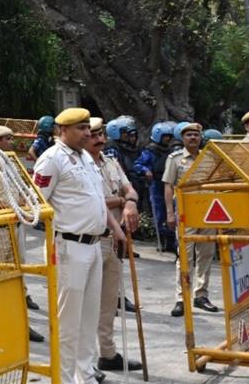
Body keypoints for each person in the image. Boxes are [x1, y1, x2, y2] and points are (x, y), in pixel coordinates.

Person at [33, 107, 126, 384]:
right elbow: (36, 202)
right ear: (62, 130)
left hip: (94, 244)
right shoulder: (52, 160)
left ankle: (84, 375)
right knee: (68, 321)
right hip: (68, 246)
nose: (87, 133)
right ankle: (63, 379)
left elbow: (96, 199)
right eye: (81, 128)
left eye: (88, 128)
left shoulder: (86, 157)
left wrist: (116, 229)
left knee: (88, 317)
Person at [85, 117, 143, 373]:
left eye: (101, 134)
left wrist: (129, 202)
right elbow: (92, 201)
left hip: (114, 240)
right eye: (92, 135)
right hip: (90, 240)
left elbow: (130, 189)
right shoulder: (80, 165)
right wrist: (120, 200)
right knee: (86, 304)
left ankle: (107, 354)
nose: (99, 139)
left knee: (109, 302)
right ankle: (84, 364)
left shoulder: (111, 162)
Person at [0, 124, 45, 342]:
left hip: (15, 225)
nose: (12, 142)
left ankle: (20, 323)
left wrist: (23, 205)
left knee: (17, 274)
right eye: (7, 139)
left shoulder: (10, 162)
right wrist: (13, 208)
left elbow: (20, 190)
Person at [164, 123, 219, 317]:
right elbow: (168, 186)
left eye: (196, 134)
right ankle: (182, 298)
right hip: (185, 214)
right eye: (189, 135)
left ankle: (201, 295)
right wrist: (170, 213)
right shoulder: (175, 159)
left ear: (200, 137)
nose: (193, 138)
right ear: (183, 138)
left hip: (208, 212)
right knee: (185, 257)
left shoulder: (209, 157)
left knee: (206, 254)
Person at [133, 122, 176, 253]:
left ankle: (171, 242)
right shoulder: (149, 151)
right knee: (159, 213)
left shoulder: (171, 151)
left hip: (169, 183)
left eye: (169, 137)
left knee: (172, 212)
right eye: (165, 137)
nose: (167, 139)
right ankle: (161, 241)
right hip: (156, 185)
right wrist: (146, 170)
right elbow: (138, 164)